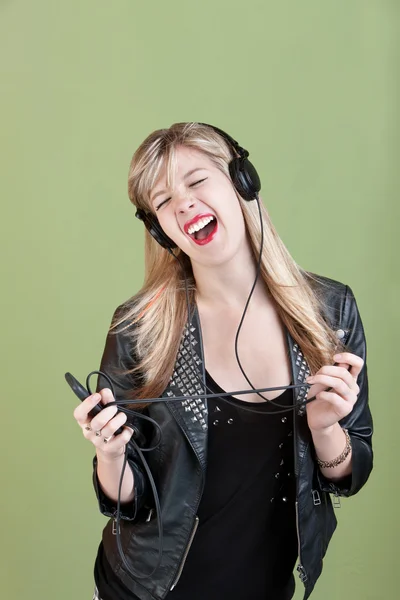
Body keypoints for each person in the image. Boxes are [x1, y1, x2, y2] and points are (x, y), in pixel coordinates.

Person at [73, 122, 373, 600]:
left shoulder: (330, 312)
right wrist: (109, 452)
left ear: (241, 181)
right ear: (160, 227)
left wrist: (323, 428)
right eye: (164, 200)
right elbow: (126, 501)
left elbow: (351, 473)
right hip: (145, 589)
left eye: (195, 182)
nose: (183, 203)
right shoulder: (139, 327)